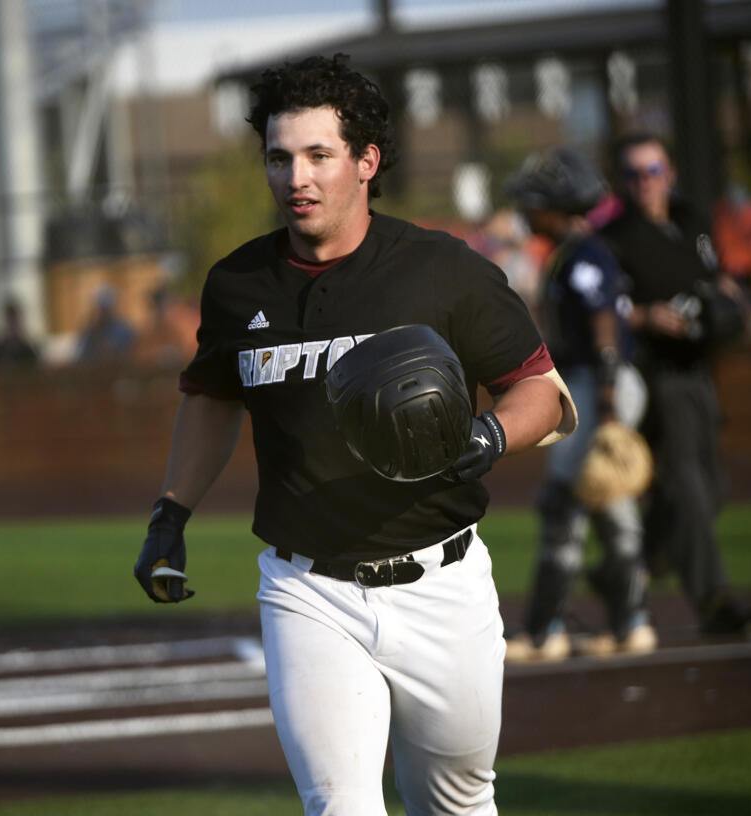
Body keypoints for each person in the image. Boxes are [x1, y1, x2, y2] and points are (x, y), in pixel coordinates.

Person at [132, 54, 575, 816]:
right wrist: (170, 512)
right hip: (310, 591)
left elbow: (546, 393)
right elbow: (209, 397)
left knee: (458, 804)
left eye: (317, 155)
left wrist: (486, 439)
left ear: (366, 161)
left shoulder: (443, 270)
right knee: (341, 806)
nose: (295, 177)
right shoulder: (239, 286)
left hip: (445, 586)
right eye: (279, 157)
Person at [599, 132, 751, 637]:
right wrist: (645, 315)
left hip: (699, 369)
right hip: (654, 377)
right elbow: (602, 307)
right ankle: (715, 602)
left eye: (652, 171)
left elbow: (716, 277)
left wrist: (729, 301)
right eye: (633, 174)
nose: (644, 182)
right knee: (687, 487)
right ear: (622, 182)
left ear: (669, 173)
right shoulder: (614, 238)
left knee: (711, 490)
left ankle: (629, 567)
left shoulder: (691, 221)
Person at [502, 148, 654, 662]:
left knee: (566, 500)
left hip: (597, 383)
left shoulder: (584, 254)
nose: (526, 211)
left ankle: (545, 633)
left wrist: (608, 403)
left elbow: (603, 323)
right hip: (592, 382)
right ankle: (630, 623)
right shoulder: (571, 251)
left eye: (535, 202)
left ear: (558, 205)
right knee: (610, 504)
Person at [75, 283, 134, 363]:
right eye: (100, 309)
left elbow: (131, 355)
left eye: (106, 309)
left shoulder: (123, 330)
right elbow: (81, 358)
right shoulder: (89, 332)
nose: (103, 313)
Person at [0, 296, 40, 372]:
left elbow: (36, 370)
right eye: (10, 321)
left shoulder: (27, 348)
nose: (12, 325)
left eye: (15, 321)